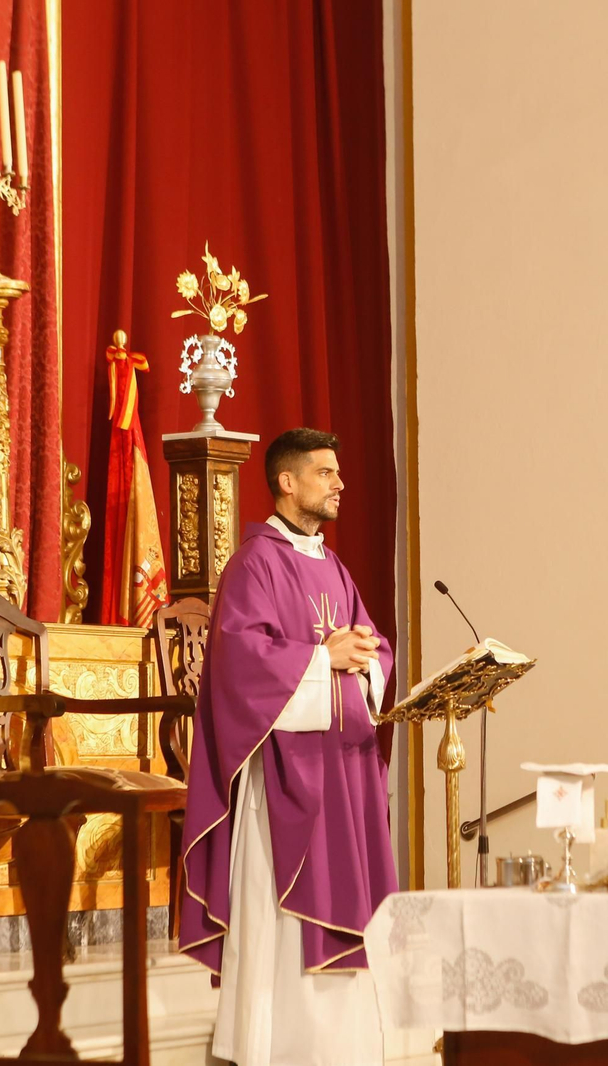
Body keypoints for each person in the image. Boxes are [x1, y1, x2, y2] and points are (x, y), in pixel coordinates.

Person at [178, 427, 396, 1066]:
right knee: (286, 924)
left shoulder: (331, 565)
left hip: (340, 771)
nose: (339, 484)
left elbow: (370, 643)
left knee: (346, 898)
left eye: (337, 472)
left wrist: (363, 660)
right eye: (326, 473)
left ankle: (345, 1049)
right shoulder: (255, 563)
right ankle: (282, 1048)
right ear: (287, 481)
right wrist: (319, 661)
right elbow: (240, 664)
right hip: (283, 775)